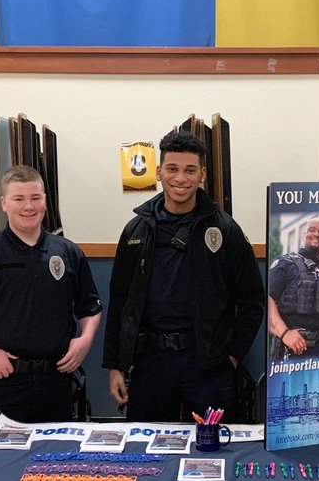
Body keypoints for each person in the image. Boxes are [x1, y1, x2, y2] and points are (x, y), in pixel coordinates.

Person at [0, 166, 102, 462]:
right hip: (2, 379)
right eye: (19, 198)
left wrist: (85, 339)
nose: (28, 206)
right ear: (3, 204)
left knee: (54, 466)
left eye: (35, 198)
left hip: (55, 380)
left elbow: (90, 308)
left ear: (45, 201)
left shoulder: (67, 252)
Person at [105, 130, 264, 422]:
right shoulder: (135, 231)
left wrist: (233, 356)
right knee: (146, 444)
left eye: (190, 170)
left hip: (207, 364)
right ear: (158, 172)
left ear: (202, 174)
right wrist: (116, 365)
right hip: (151, 361)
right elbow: (119, 303)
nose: (181, 178)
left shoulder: (225, 230)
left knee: (212, 448)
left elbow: (253, 301)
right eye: (172, 169)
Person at [268, 218, 319, 358]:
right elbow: (267, 300)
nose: (316, 234)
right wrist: (285, 334)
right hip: (295, 348)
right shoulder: (285, 263)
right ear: (303, 234)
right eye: (312, 229)